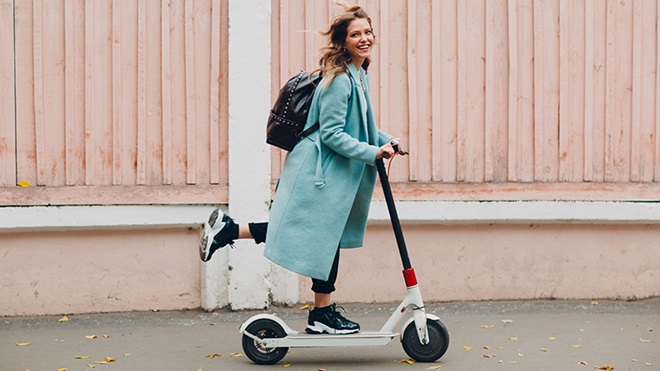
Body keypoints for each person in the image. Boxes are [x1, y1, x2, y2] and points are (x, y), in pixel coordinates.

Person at [200, 2, 396, 335]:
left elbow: (360, 124)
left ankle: (231, 232)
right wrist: (372, 152)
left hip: (334, 173)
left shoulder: (358, 73)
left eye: (367, 32)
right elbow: (333, 134)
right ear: (342, 41)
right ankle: (321, 314)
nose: (364, 38)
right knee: (317, 236)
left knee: (320, 236)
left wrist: (386, 140)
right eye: (355, 34)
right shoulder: (340, 80)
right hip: (319, 171)